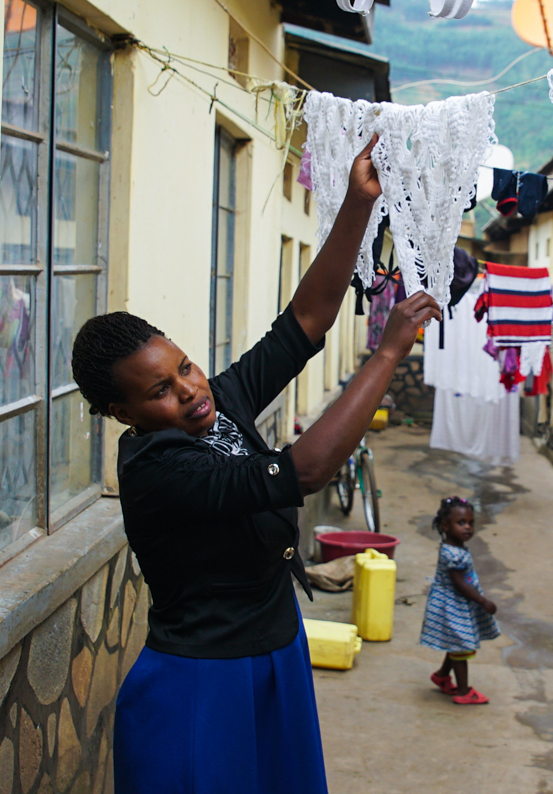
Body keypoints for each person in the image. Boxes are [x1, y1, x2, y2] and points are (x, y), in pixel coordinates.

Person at [70, 134, 443, 793]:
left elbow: (304, 319)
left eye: (183, 365)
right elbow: (302, 471)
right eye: (160, 390)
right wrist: (385, 355)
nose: (189, 389)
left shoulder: (221, 401)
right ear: (123, 412)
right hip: (202, 684)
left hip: (276, 655)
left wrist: (358, 205)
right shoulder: (158, 470)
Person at [419, 496, 500, 705]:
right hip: (451, 605)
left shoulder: (455, 547)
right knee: (461, 645)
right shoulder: (451, 553)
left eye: (471, 523)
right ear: (445, 526)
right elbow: (460, 584)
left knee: (457, 642)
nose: (468, 528)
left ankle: (442, 675)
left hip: (456, 604)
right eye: (461, 523)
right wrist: (482, 601)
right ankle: (464, 691)